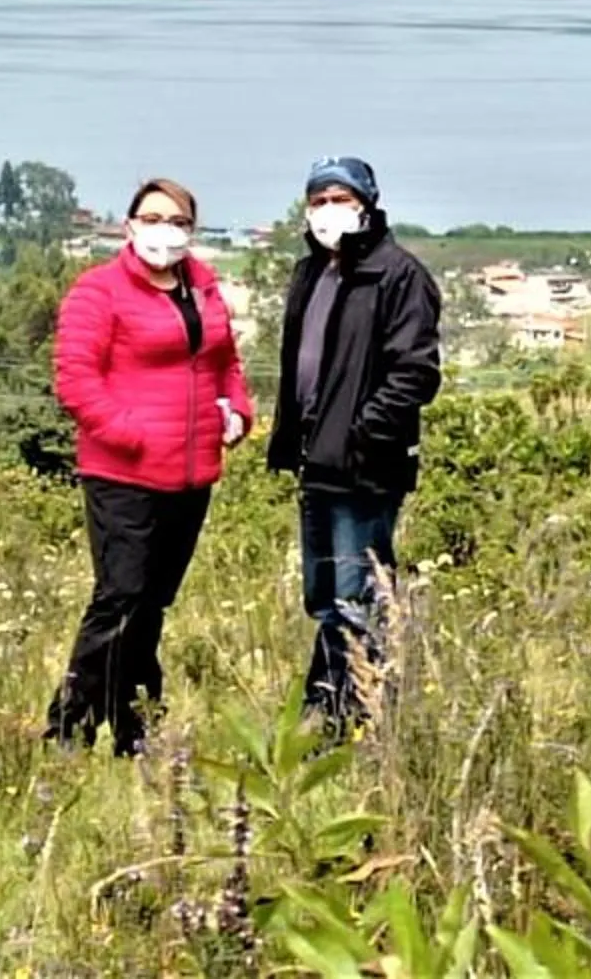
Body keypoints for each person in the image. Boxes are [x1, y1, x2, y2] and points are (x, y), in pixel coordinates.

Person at [45, 178, 254, 755]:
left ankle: (136, 728)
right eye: (154, 217)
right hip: (124, 474)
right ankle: (70, 729)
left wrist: (237, 410)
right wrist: (130, 434)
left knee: (152, 604)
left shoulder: (203, 288)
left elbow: (225, 364)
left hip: (190, 476)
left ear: (192, 229)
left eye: (179, 220)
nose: (166, 229)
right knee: (119, 598)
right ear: (130, 224)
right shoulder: (98, 293)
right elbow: (76, 381)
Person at [269, 156, 443, 734]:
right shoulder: (311, 275)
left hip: (366, 467)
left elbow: (415, 374)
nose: (327, 211)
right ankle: (330, 711)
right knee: (324, 597)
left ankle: (346, 719)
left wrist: (364, 430)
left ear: (367, 204)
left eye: (339, 199)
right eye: (317, 200)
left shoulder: (397, 275)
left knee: (356, 596)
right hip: (316, 463)